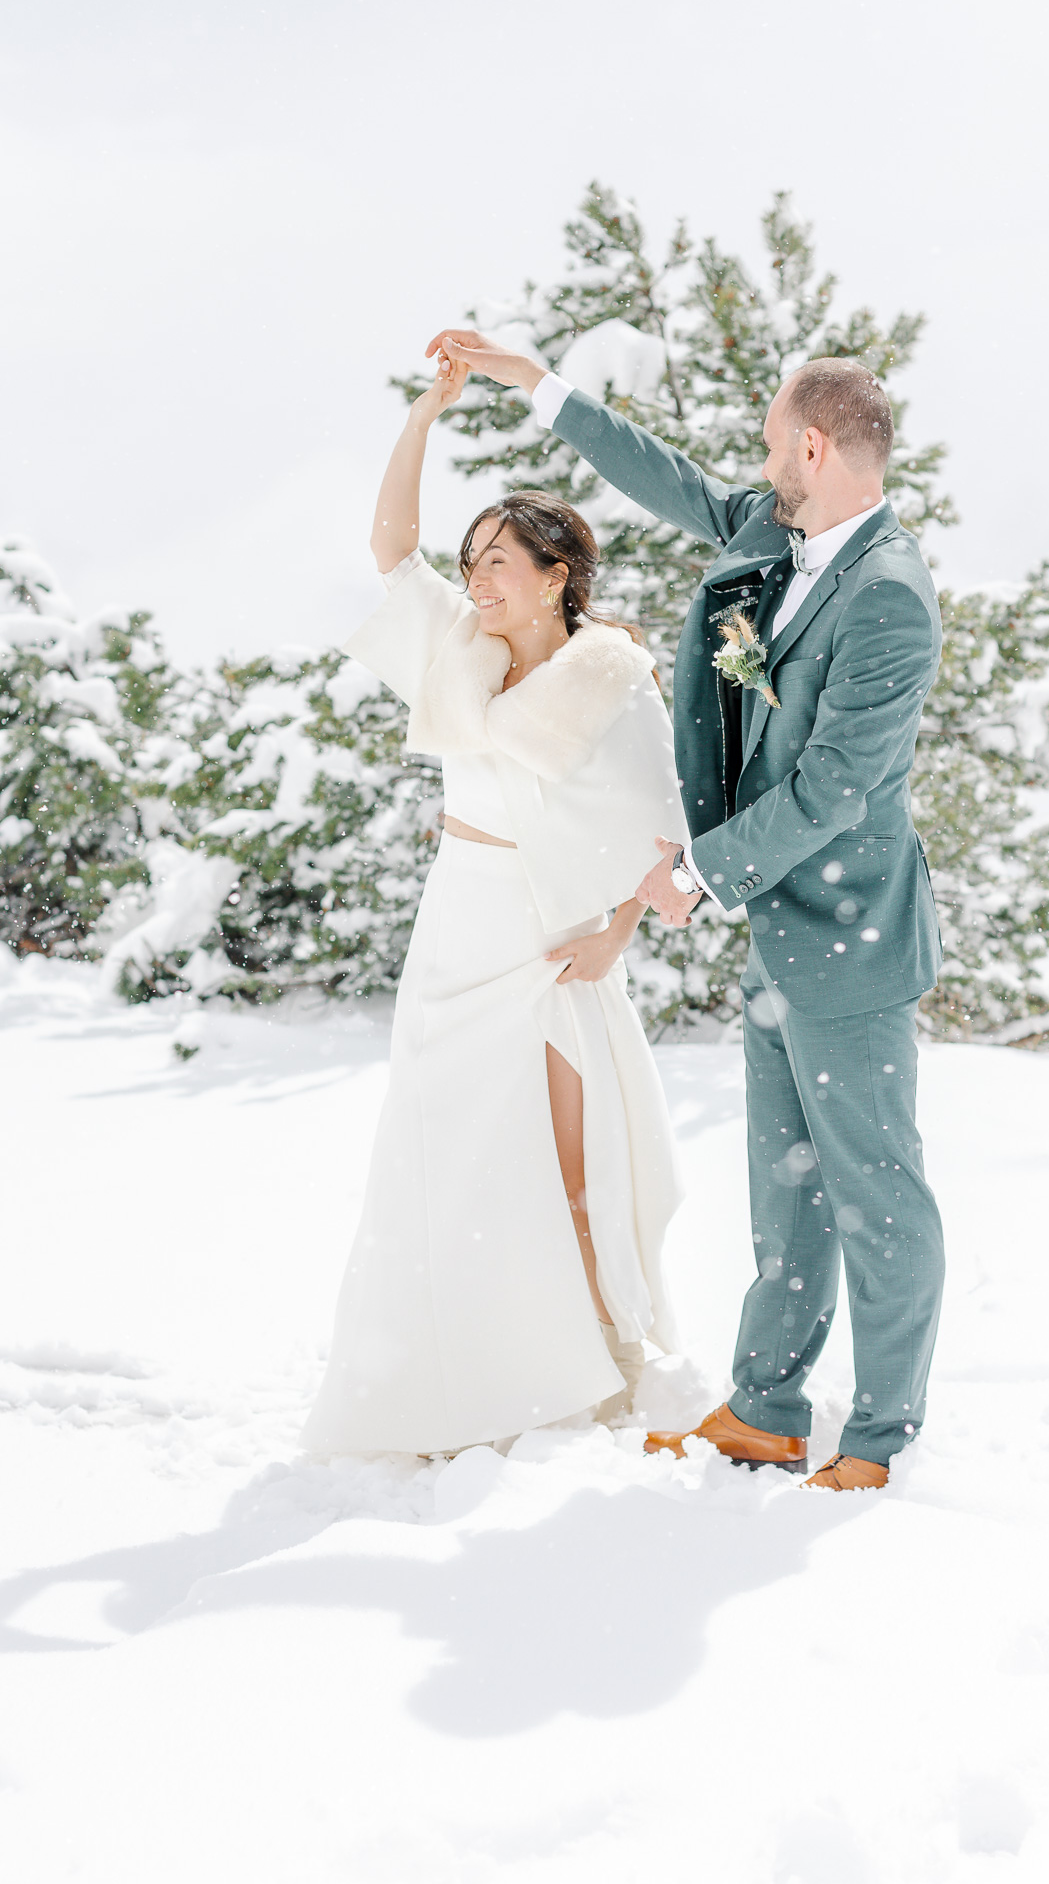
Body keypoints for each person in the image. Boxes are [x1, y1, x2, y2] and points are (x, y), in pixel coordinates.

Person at [426, 328, 946, 1492]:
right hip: (779, 935)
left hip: (849, 939)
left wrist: (696, 874)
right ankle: (763, 1408)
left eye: (772, 446)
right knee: (787, 1186)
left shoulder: (888, 598)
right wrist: (533, 384)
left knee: (874, 1190)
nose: (758, 469)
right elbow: (665, 477)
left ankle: (876, 1437)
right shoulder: (781, 532)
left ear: (814, 446)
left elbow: (834, 788)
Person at [302, 348, 685, 1459]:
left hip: (550, 940)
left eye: (502, 561)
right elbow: (389, 548)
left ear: (559, 574)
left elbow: (662, 825)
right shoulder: (456, 653)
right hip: (454, 926)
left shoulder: (611, 676)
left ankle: (590, 1362)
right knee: (446, 1156)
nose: (479, 578)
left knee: (568, 1159)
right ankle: (446, 1373)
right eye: (472, 559)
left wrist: (613, 932)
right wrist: (427, 411)